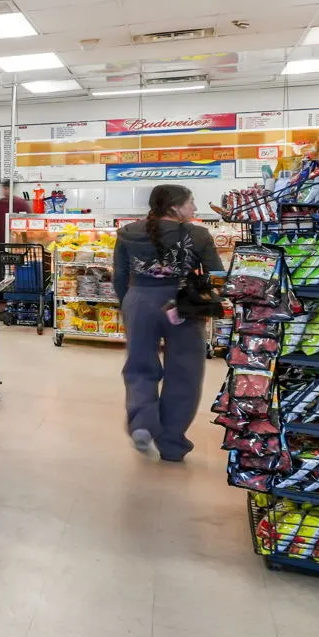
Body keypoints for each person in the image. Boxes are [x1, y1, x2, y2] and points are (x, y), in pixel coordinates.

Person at [113, 184, 223, 461]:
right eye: (191, 202)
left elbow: (119, 275)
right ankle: (172, 444)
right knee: (184, 372)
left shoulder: (128, 232)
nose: (195, 208)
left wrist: (128, 303)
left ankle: (142, 424)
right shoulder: (198, 235)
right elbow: (217, 274)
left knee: (139, 366)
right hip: (182, 304)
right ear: (175, 207)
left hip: (138, 300)